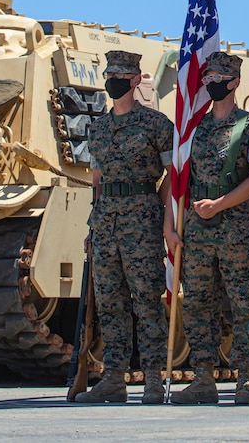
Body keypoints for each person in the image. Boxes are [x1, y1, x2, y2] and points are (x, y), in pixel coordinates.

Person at [164, 51, 249, 406]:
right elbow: (175, 181)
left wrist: (219, 205)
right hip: (197, 227)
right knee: (197, 303)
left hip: (234, 223)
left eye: (219, 77)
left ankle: (245, 379)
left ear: (235, 82)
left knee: (243, 302)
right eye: (208, 77)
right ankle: (203, 376)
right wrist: (169, 225)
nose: (211, 83)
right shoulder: (193, 128)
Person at [75, 50, 174, 405]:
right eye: (109, 74)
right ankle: (113, 379)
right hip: (105, 225)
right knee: (110, 303)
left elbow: (173, 177)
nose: (112, 80)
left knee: (147, 302)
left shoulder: (157, 125)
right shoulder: (97, 128)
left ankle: (151, 379)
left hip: (142, 222)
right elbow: (97, 180)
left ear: (135, 80)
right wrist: (92, 225)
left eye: (120, 75)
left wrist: (161, 211)